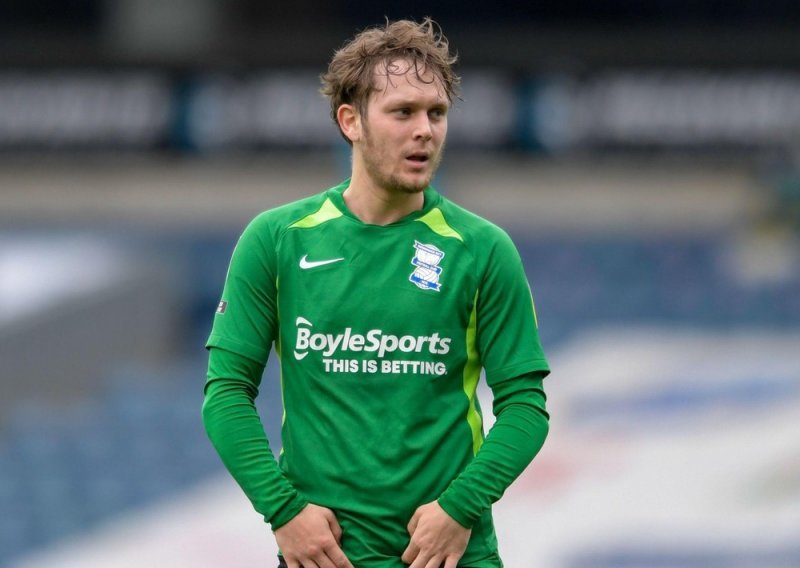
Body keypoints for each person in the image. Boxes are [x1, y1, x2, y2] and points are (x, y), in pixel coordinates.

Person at [202, 18, 550, 568]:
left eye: (436, 113)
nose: (425, 131)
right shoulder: (276, 239)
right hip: (324, 557)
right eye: (403, 112)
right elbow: (225, 394)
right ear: (351, 121)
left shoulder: (483, 248)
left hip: (450, 556)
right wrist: (284, 511)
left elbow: (526, 408)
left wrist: (460, 508)